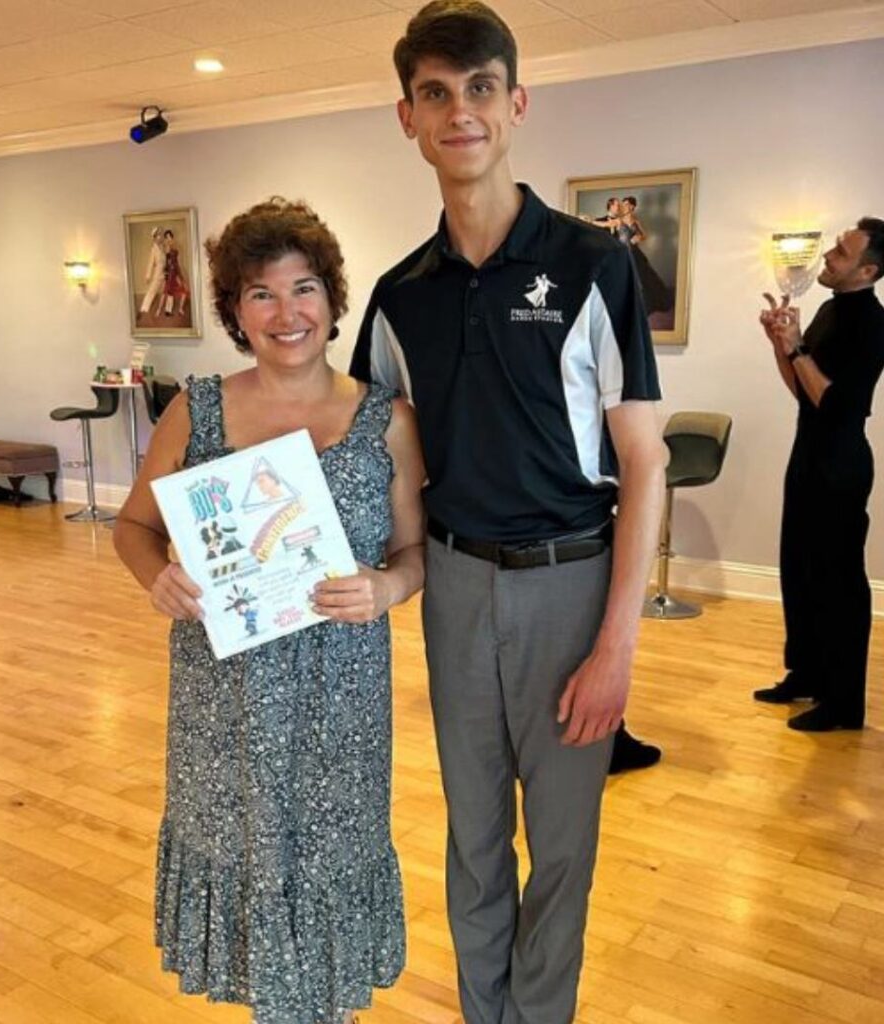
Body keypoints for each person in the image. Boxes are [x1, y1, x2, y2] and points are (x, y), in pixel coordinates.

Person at [349, 4, 665, 1021]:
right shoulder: (400, 294)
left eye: (479, 87)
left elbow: (644, 464)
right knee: (473, 841)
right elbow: (385, 461)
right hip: (453, 588)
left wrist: (617, 644)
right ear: (407, 117)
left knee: (561, 854)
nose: (460, 111)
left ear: (515, 102)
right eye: (435, 93)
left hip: (571, 589)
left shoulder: (592, 265)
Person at [113, 197, 426, 1024]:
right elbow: (135, 526)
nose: (287, 312)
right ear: (235, 312)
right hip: (226, 693)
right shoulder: (198, 409)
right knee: (244, 849)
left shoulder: (386, 418)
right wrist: (159, 579)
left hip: (342, 694)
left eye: (305, 288)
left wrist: (387, 587)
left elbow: (417, 552)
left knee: (329, 857)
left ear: (332, 301)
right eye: (261, 293)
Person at [753, 217, 884, 731]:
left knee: (839, 582)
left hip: (842, 462)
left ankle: (844, 701)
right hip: (809, 453)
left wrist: (798, 348)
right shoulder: (831, 309)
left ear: (868, 269)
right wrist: (781, 341)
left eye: (841, 253)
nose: (828, 257)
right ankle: (805, 674)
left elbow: (834, 401)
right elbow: (803, 388)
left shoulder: (872, 323)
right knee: (800, 569)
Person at [618, 196, 672, 315]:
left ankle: (644, 305)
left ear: (632, 206)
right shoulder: (619, 220)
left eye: (626, 204)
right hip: (622, 253)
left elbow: (644, 235)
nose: (624, 207)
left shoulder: (635, 221)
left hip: (633, 252)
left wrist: (638, 238)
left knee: (642, 277)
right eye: (623, 205)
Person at [161, 228, 190, 317]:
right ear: (165, 239)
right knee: (170, 293)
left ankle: (180, 309)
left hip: (176, 271)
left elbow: (178, 262)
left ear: (172, 238)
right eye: (167, 237)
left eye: (170, 237)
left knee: (184, 290)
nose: (169, 239)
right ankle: (168, 311)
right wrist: (166, 274)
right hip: (170, 273)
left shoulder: (175, 248)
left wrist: (180, 275)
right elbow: (166, 263)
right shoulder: (166, 249)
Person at [139, 225, 166, 317]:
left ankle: (165, 309)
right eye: (157, 235)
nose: (160, 237)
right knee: (152, 289)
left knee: (167, 290)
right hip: (158, 271)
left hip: (165, 271)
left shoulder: (163, 247)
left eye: (160, 235)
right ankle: (144, 308)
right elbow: (151, 263)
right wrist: (148, 276)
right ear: (154, 238)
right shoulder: (154, 249)